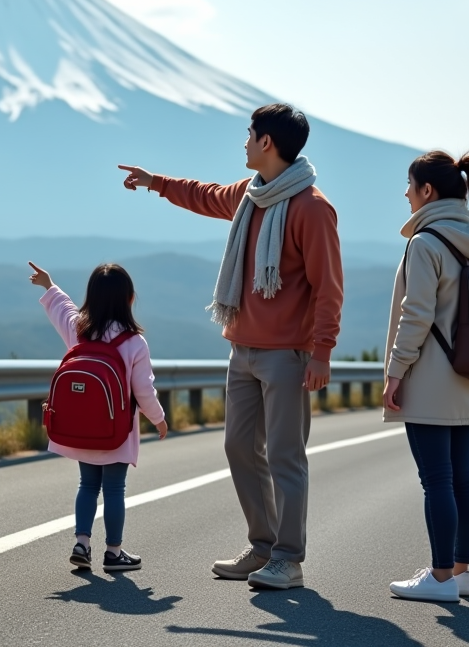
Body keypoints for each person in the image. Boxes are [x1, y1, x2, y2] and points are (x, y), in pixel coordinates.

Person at [118, 102, 343, 590]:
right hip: (242, 348)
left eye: (248, 134)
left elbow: (329, 287)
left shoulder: (312, 208)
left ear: (267, 143)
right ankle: (262, 547)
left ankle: (288, 558)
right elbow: (205, 195)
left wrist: (321, 351)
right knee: (239, 446)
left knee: (285, 456)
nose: (243, 142)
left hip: (288, 354)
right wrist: (155, 181)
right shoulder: (251, 196)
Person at [383, 150, 469, 604]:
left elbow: (416, 316)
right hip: (467, 375)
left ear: (428, 191)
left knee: (437, 480)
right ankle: (460, 571)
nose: (405, 193)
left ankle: (440, 577)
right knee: (461, 475)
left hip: (429, 376)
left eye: (410, 185)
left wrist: (394, 372)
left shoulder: (426, 243)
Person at [28, 261, 168, 572]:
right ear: (129, 299)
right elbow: (143, 389)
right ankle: (114, 552)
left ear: (90, 297)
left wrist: (50, 286)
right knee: (114, 489)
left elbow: (62, 310)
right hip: (115, 430)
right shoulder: (133, 343)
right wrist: (158, 419)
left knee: (87, 485)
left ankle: (82, 543)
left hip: (81, 429)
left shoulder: (80, 331)